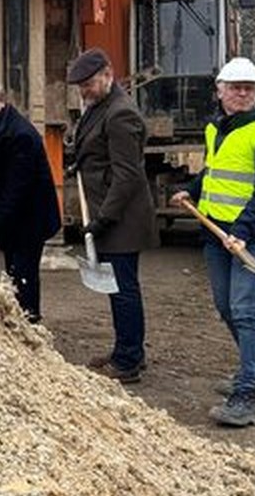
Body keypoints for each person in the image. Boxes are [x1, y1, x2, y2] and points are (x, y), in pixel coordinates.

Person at [170, 57, 255, 427]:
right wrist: (191, 190)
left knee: (245, 310)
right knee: (226, 307)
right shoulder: (218, 128)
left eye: (249, 88)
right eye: (236, 86)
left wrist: (243, 229)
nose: (242, 93)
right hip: (217, 233)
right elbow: (215, 171)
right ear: (220, 90)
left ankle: (249, 394)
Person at [68, 47, 157, 383]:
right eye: (80, 87)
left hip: (122, 218)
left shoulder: (121, 113)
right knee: (117, 288)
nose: (84, 91)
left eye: (88, 84)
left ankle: (129, 362)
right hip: (110, 212)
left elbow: (127, 174)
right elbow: (97, 150)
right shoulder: (99, 106)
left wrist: (104, 218)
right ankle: (127, 349)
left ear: (108, 74)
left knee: (123, 289)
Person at [0, 78, 60, 322]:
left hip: (31, 213)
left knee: (24, 270)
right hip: (13, 212)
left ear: (1, 103)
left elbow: (17, 186)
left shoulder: (21, 135)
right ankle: (15, 316)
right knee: (12, 270)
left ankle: (30, 320)